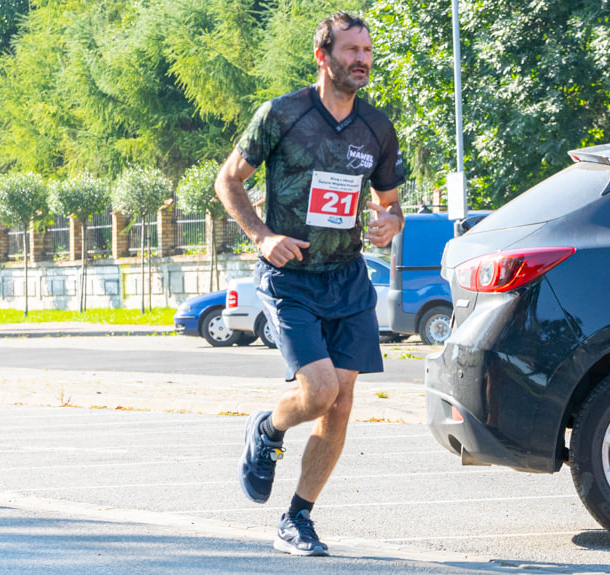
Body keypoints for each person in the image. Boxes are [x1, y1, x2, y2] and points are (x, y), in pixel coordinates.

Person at [214, 11, 405, 557]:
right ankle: (269, 429)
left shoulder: (377, 128)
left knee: (340, 405)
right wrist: (260, 235)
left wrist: (392, 222)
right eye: (351, 51)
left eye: (367, 51)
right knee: (318, 393)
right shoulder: (282, 114)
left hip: (346, 279)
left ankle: (297, 518)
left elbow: (390, 207)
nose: (362, 60)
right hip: (290, 276)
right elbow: (228, 180)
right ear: (324, 57)